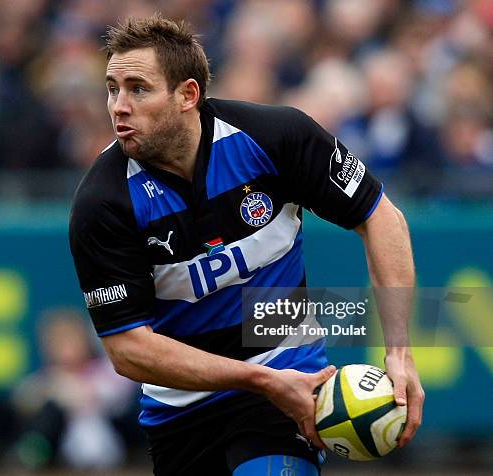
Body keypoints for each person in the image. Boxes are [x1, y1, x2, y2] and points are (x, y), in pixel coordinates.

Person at [69, 14, 424, 476]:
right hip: (181, 411)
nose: (118, 105)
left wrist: (399, 350)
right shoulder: (104, 200)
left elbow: (381, 218)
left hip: (287, 377)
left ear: (187, 95)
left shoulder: (275, 137)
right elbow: (128, 349)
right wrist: (260, 380)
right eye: (112, 88)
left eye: (138, 88)